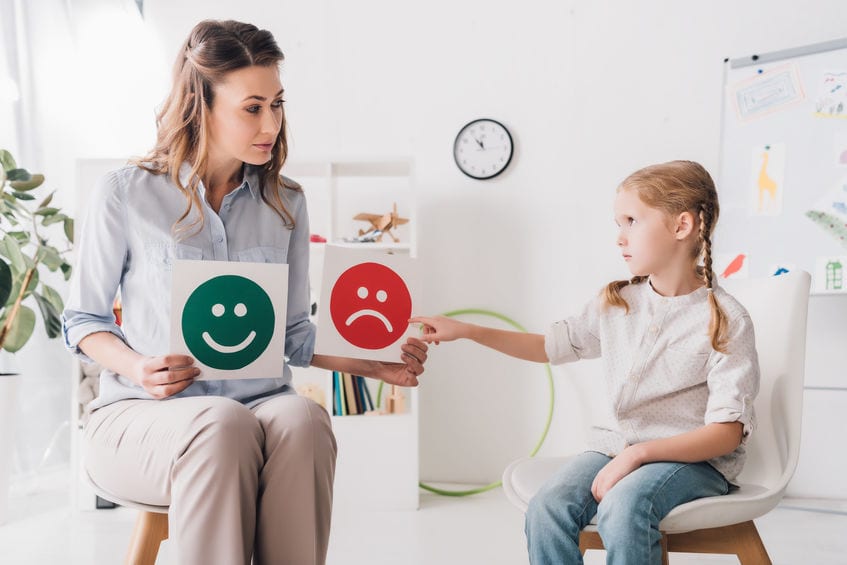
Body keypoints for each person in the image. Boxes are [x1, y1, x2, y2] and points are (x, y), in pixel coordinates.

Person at [62, 19, 428, 565]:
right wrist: (139, 367)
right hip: (139, 417)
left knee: (303, 421)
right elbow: (84, 320)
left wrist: (378, 366)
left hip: (254, 411)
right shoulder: (125, 194)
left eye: (277, 104)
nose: (272, 124)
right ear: (200, 106)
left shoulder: (287, 204)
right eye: (252, 107)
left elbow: (293, 335)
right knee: (222, 425)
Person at [410, 160, 759, 565]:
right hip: (615, 447)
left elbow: (727, 432)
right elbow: (550, 347)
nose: (620, 238)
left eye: (631, 221)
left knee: (625, 507)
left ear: (682, 226)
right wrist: (468, 330)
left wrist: (638, 455)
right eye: (618, 223)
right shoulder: (617, 304)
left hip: (694, 463)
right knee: (548, 508)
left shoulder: (726, 319)